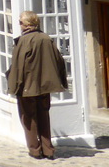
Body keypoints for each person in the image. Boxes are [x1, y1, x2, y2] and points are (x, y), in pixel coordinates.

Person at [7, 11, 68, 160]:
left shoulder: (24, 41)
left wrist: (14, 85)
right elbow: (59, 61)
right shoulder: (46, 39)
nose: (19, 25)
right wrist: (59, 80)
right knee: (43, 116)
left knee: (29, 119)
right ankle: (48, 149)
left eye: (20, 22)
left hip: (27, 86)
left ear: (27, 24)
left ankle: (35, 150)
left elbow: (18, 66)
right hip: (45, 86)